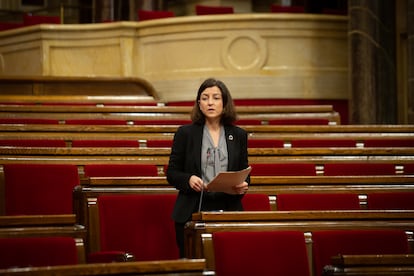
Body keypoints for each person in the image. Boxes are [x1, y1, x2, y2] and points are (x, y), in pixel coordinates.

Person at [166, 78, 250, 258]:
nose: (210, 102)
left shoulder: (239, 135)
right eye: (205, 98)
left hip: (229, 208)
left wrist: (242, 186)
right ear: (199, 103)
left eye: (216, 98)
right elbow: (172, 173)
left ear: (225, 103)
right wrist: (188, 179)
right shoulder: (185, 134)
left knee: (230, 261)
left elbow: (244, 174)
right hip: (192, 210)